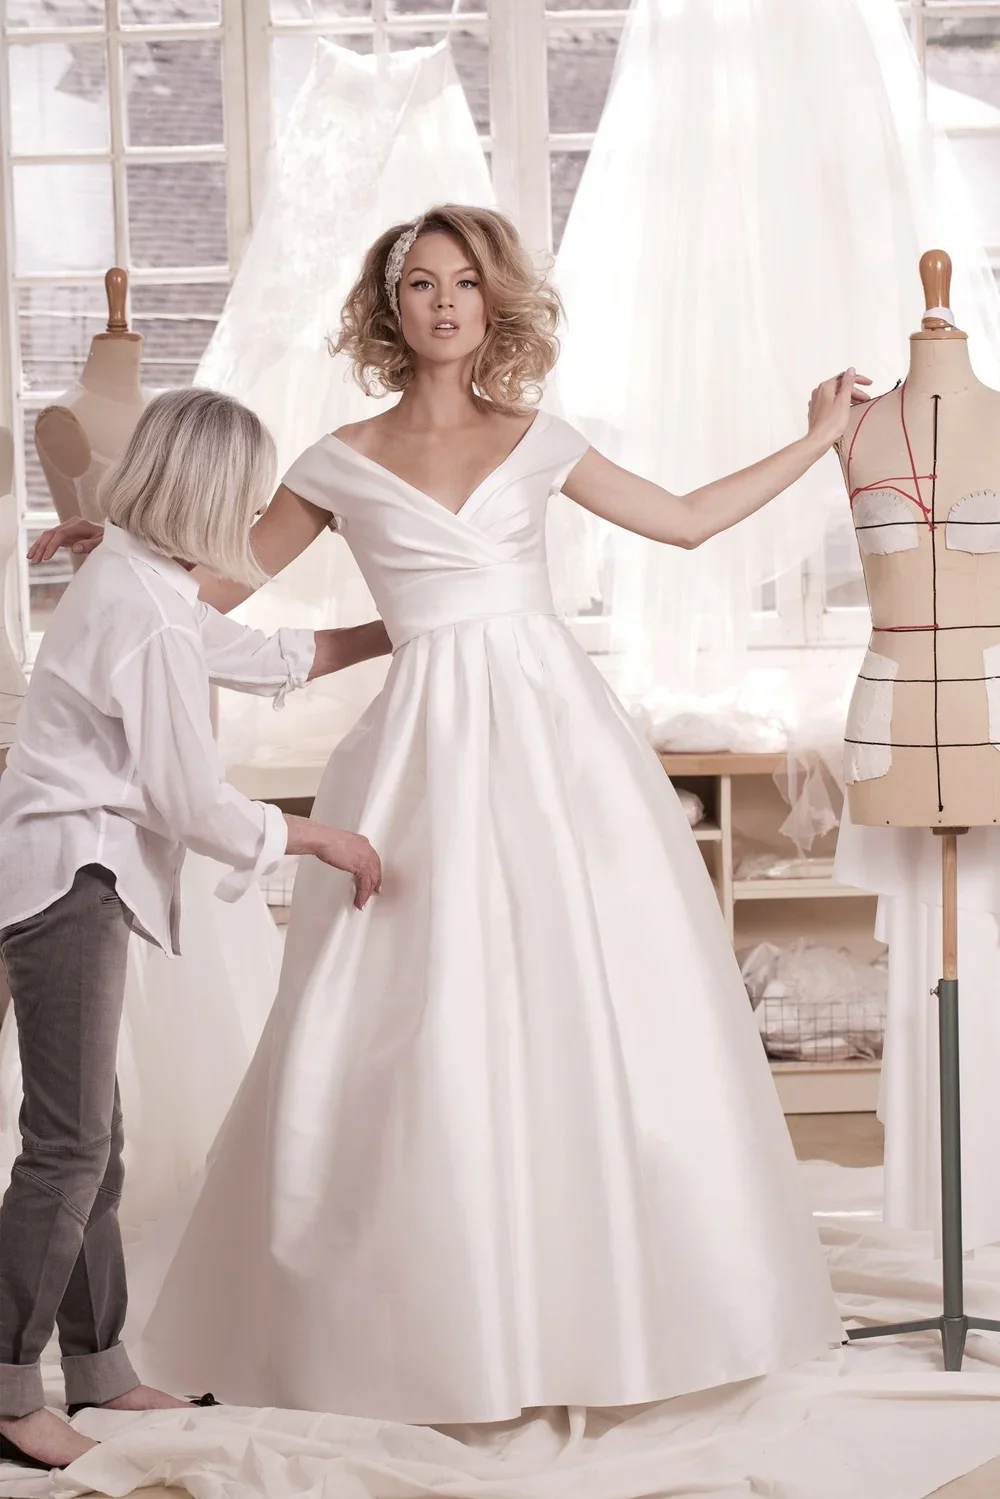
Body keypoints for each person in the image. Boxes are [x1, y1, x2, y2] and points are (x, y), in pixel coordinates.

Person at [33, 206, 869, 1426]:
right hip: (421, 752)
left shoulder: (540, 438)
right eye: (419, 283)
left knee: (590, 996)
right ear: (390, 307)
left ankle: (610, 1301)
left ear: (492, 303)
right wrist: (117, 551)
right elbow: (209, 591)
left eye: (463, 283)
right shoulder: (336, 459)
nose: (442, 302)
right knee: (409, 1016)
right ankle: (427, 1313)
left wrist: (818, 436)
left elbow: (686, 520)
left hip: (555, 744)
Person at [0, 389, 383, 1472]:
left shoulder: (136, 573)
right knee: (70, 1144)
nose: (257, 511)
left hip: (68, 865)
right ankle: (10, 1387)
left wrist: (395, 627)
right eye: (249, 493)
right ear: (208, 492)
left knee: (93, 1140)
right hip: (72, 874)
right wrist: (324, 838)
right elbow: (190, 799)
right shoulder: (147, 611)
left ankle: (100, 1365)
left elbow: (256, 654)